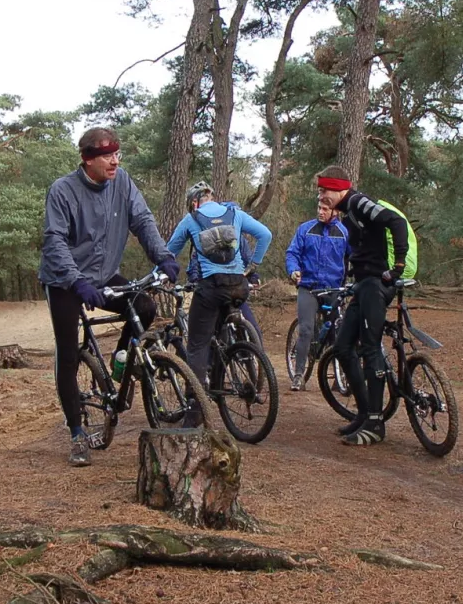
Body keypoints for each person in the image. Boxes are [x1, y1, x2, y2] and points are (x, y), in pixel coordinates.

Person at [39, 127, 181, 467]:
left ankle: (120, 361)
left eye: (117, 154)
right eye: (107, 156)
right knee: (69, 353)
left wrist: (162, 255)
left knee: (144, 307)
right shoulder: (63, 190)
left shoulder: (123, 182)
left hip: (103, 276)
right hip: (65, 281)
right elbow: (55, 241)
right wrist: (75, 281)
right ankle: (76, 432)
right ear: (88, 160)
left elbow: (143, 220)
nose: (115, 161)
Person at [315, 165, 409, 445]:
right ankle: (364, 412)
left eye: (325, 190)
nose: (321, 196)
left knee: (370, 348)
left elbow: (396, 222)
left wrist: (399, 265)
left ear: (340, 188)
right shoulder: (347, 212)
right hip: (363, 283)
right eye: (319, 190)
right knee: (343, 347)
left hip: (377, 284)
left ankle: (375, 424)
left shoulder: (358, 202)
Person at [166, 181, 273, 390]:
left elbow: (169, 254)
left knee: (197, 345)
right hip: (239, 286)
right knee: (221, 326)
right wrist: (252, 266)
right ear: (211, 197)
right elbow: (265, 235)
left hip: (212, 287)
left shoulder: (191, 219)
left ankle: (195, 409)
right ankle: (224, 373)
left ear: (194, 203)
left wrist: (155, 275)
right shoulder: (235, 214)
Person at [283, 199, 349, 390]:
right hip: (309, 287)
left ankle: (341, 376)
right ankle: (298, 375)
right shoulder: (306, 229)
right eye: (319, 208)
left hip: (333, 288)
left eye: (325, 209)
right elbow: (292, 253)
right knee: (305, 330)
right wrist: (293, 270)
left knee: (340, 331)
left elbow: (354, 256)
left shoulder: (344, 233)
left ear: (335, 211)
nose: (320, 211)